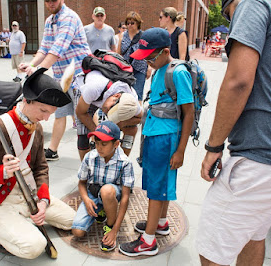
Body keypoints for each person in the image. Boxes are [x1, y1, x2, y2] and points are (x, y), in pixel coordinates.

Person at [197, 0, 271, 265]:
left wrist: (214, 146)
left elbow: (238, 82)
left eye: (232, 18)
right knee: (253, 236)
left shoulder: (254, 3)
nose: (234, 25)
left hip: (260, 159)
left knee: (211, 250)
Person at [0, 68, 76, 259]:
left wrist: (43, 202)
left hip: (28, 192)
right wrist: (0, 171)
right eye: (43, 110)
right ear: (27, 100)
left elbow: (41, 167)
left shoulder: (36, 129)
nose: (45, 118)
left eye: (50, 113)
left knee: (73, 221)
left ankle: (22, 221)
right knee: (34, 247)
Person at [119, 27, 194, 257]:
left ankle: (148, 242)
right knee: (156, 184)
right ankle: (160, 223)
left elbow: (189, 112)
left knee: (156, 190)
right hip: (153, 135)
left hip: (166, 138)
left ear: (165, 51)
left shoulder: (177, 72)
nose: (148, 62)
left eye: (151, 56)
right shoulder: (159, 70)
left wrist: (180, 150)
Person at [19, 0, 91, 161]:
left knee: (83, 118)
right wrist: (31, 65)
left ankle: (90, 154)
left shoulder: (69, 17)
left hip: (79, 77)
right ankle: (53, 149)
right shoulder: (49, 22)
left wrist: (38, 71)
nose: (51, 3)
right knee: (60, 114)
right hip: (61, 79)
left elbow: (58, 48)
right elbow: (45, 48)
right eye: (47, 0)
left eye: (54, 0)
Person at [71, 121, 134, 252]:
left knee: (107, 191)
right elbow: (81, 183)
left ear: (116, 144)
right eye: (96, 143)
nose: (99, 147)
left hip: (111, 194)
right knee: (77, 232)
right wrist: (86, 199)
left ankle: (109, 224)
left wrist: (115, 230)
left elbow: (125, 198)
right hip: (93, 194)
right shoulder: (90, 157)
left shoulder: (125, 162)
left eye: (104, 144)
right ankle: (102, 210)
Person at [74, 70, 142, 160]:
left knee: (132, 128)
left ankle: (120, 162)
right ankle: (86, 167)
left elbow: (141, 117)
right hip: (85, 92)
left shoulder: (132, 102)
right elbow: (80, 113)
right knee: (83, 132)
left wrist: (123, 124)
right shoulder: (93, 88)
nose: (107, 112)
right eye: (110, 110)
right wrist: (100, 133)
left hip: (104, 95)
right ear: (116, 96)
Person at [117, 11, 148, 103]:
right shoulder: (123, 36)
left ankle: (138, 115)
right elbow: (118, 52)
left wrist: (149, 67)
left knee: (138, 94)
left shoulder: (144, 36)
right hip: (125, 69)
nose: (130, 25)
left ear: (138, 23)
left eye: (132, 23)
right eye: (128, 23)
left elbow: (148, 53)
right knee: (125, 94)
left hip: (139, 69)